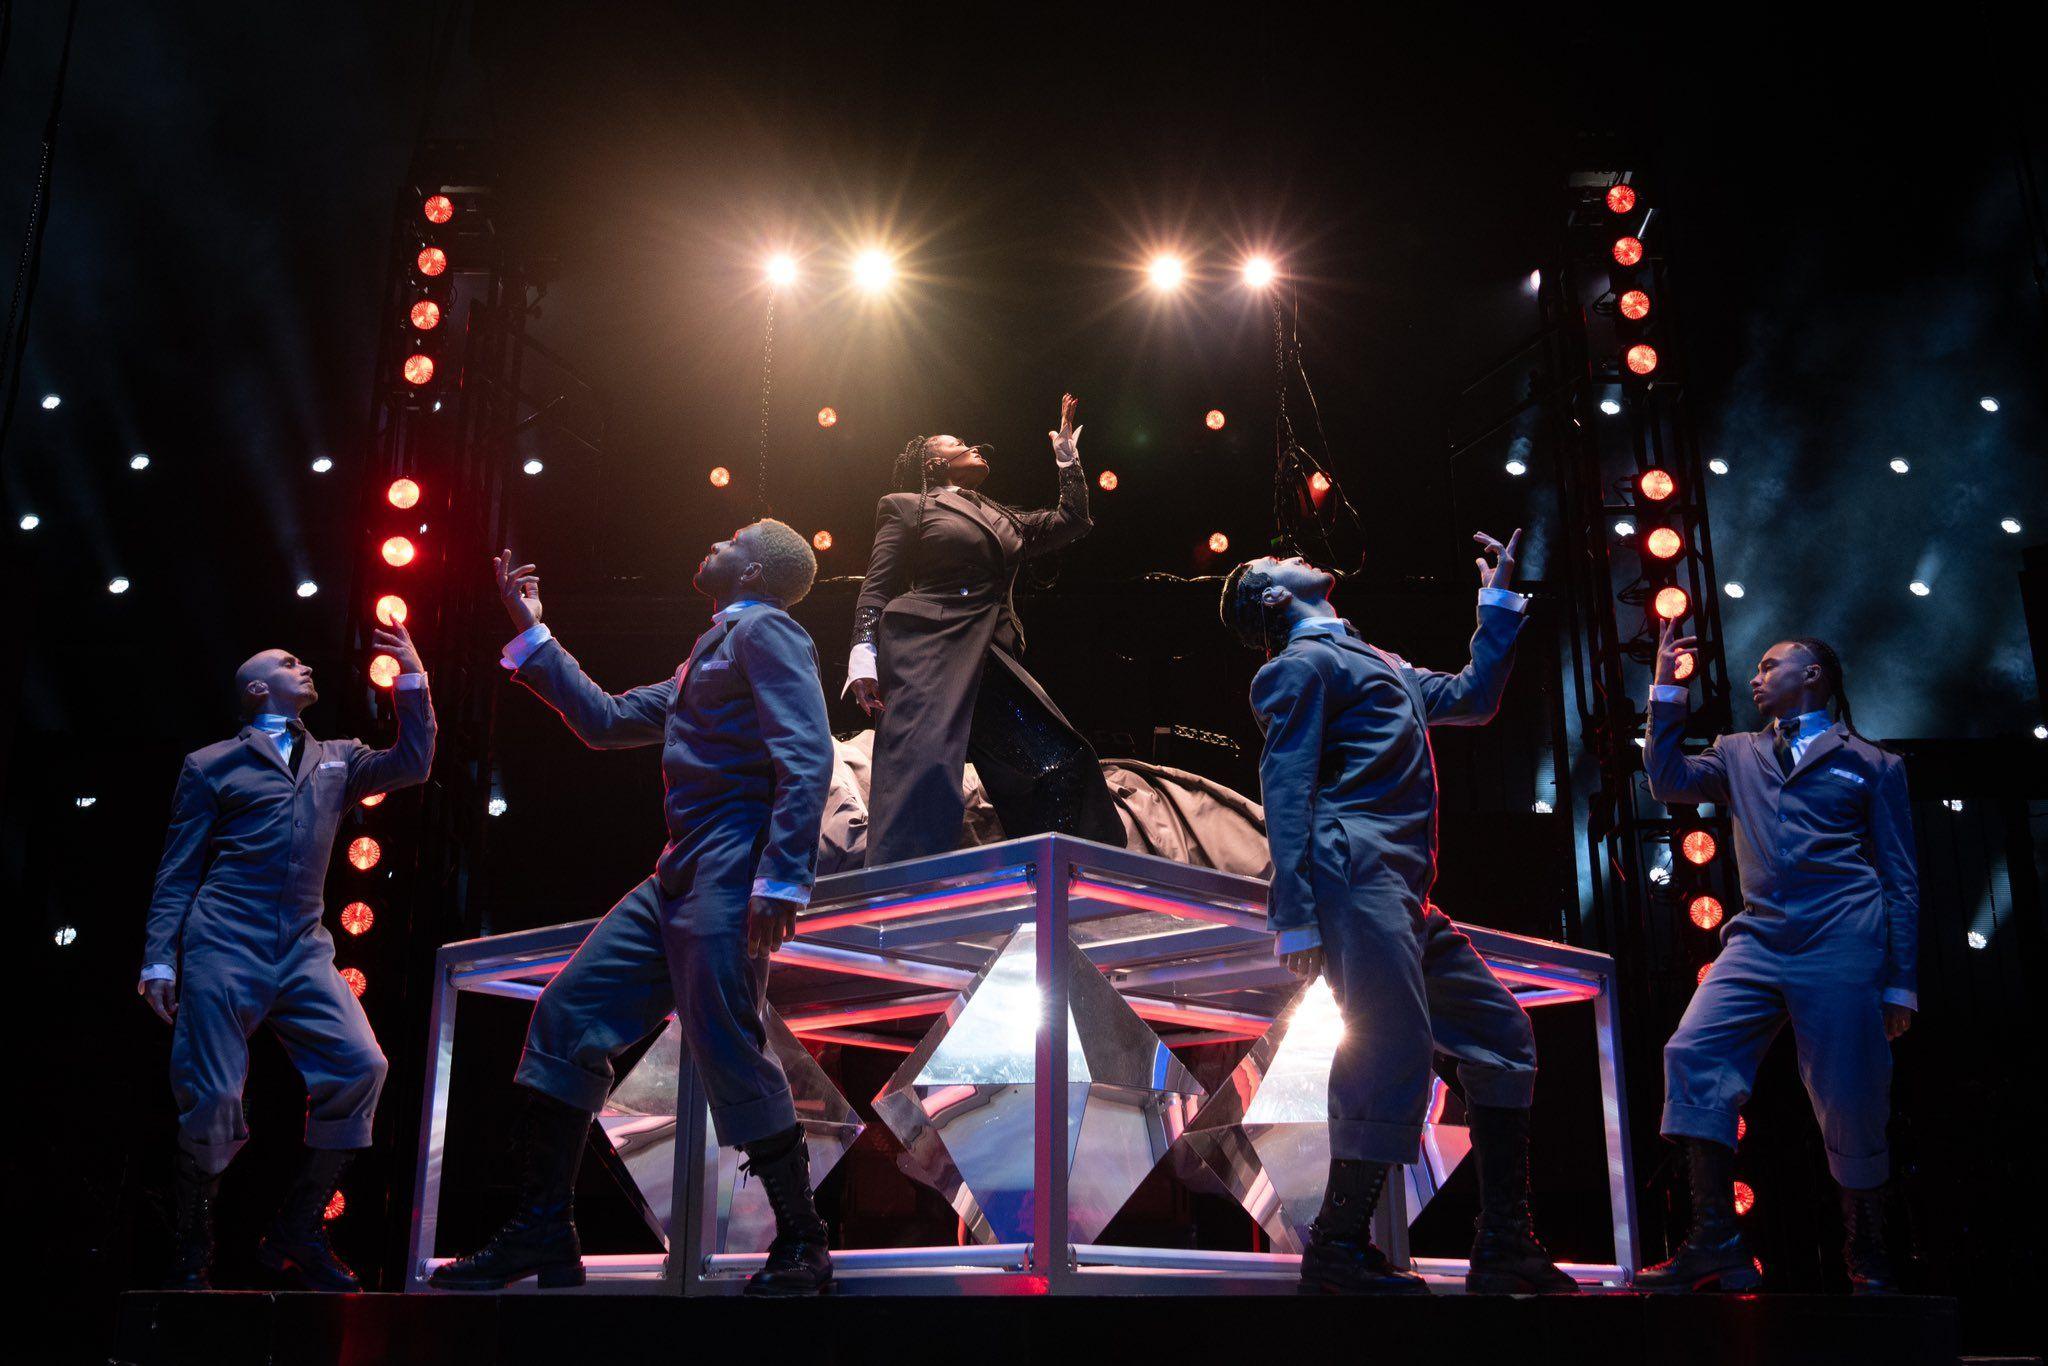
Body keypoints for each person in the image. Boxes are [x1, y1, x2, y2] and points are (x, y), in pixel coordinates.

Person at [433, 521, 835, 1297]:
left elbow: (807, 752)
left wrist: (783, 878)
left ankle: (803, 1242)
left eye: (733, 537)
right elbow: (607, 720)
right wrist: (534, 633)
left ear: (753, 568)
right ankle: (544, 1227)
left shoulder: (769, 632)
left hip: (732, 861)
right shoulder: (710, 651)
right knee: (565, 1014)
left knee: (725, 1038)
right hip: (679, 872)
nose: (714, 540)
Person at [1220, 535, 1577, 1297]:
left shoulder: (1374, 658)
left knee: (1502, 1034)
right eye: (1272, 559)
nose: (1291, 550)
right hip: (1352, 874)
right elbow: (1285, 790)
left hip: (1403, 889)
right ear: (1276, 598)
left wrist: (1498, 606)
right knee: (1389, 1044)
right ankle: (1338, 1250)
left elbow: (1474, 700)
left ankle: (1505, 1244)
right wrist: (1297, 915)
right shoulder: (1297, 668)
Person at [141, 624, 434, 1291]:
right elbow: (178, 869)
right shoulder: (212, 764)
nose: (303, 665)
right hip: (223, 942)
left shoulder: (337, 757)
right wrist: (159, 958)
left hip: (302, 948)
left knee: (362, 1066)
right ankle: (192, 1243)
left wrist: (412, 680)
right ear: (256, 689)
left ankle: (298, 1225)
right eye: (287, 661)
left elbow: (413, 761)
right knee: (213, 1096)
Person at [1635, 621, 1918, 1295]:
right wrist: (1665, 689)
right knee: (1694, 1052)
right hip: (1760, 938)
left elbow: (1900, 877)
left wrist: (1901, 981)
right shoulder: (1738, 752)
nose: (1756, 676)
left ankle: (1869, 1256)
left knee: (1850, 1095)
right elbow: (1668, 780)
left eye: (1771, 665)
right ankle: (1714, 1244)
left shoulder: (1874, 764)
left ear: (1811, 675)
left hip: (1843, 937)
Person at [846, 393, 1125, 865]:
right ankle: (900, 899)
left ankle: (1066, 878)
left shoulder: (1004, 517)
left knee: (1059, 762)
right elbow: (877, 588)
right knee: (926, 774)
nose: (975, 446)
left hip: (989, 654)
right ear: (936, 461)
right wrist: (862, 655)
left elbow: (1073, 520)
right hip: (929, 652)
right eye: (960, 443)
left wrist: (1066, 458)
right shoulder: (907, 506)